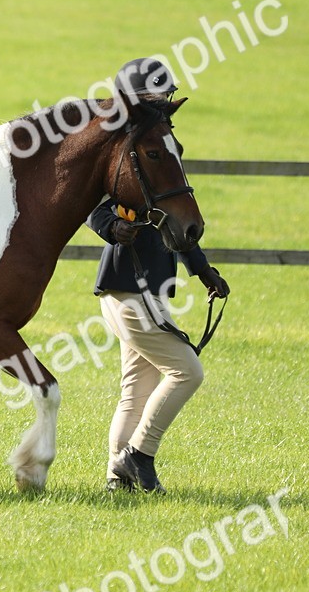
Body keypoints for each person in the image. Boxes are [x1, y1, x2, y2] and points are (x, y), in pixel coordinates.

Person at [88, 58, 230, 493]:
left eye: (166, 97)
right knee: (188, 372)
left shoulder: (158, 145)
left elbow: (175, 220)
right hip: (128, 288)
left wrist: (202, 269)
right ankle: (139, 456)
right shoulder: (117, 151)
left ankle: (118, 480)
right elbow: (93, 206)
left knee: (137, 386)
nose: (165, 104)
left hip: (141, 289)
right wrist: (113, 226)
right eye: (157, 98)